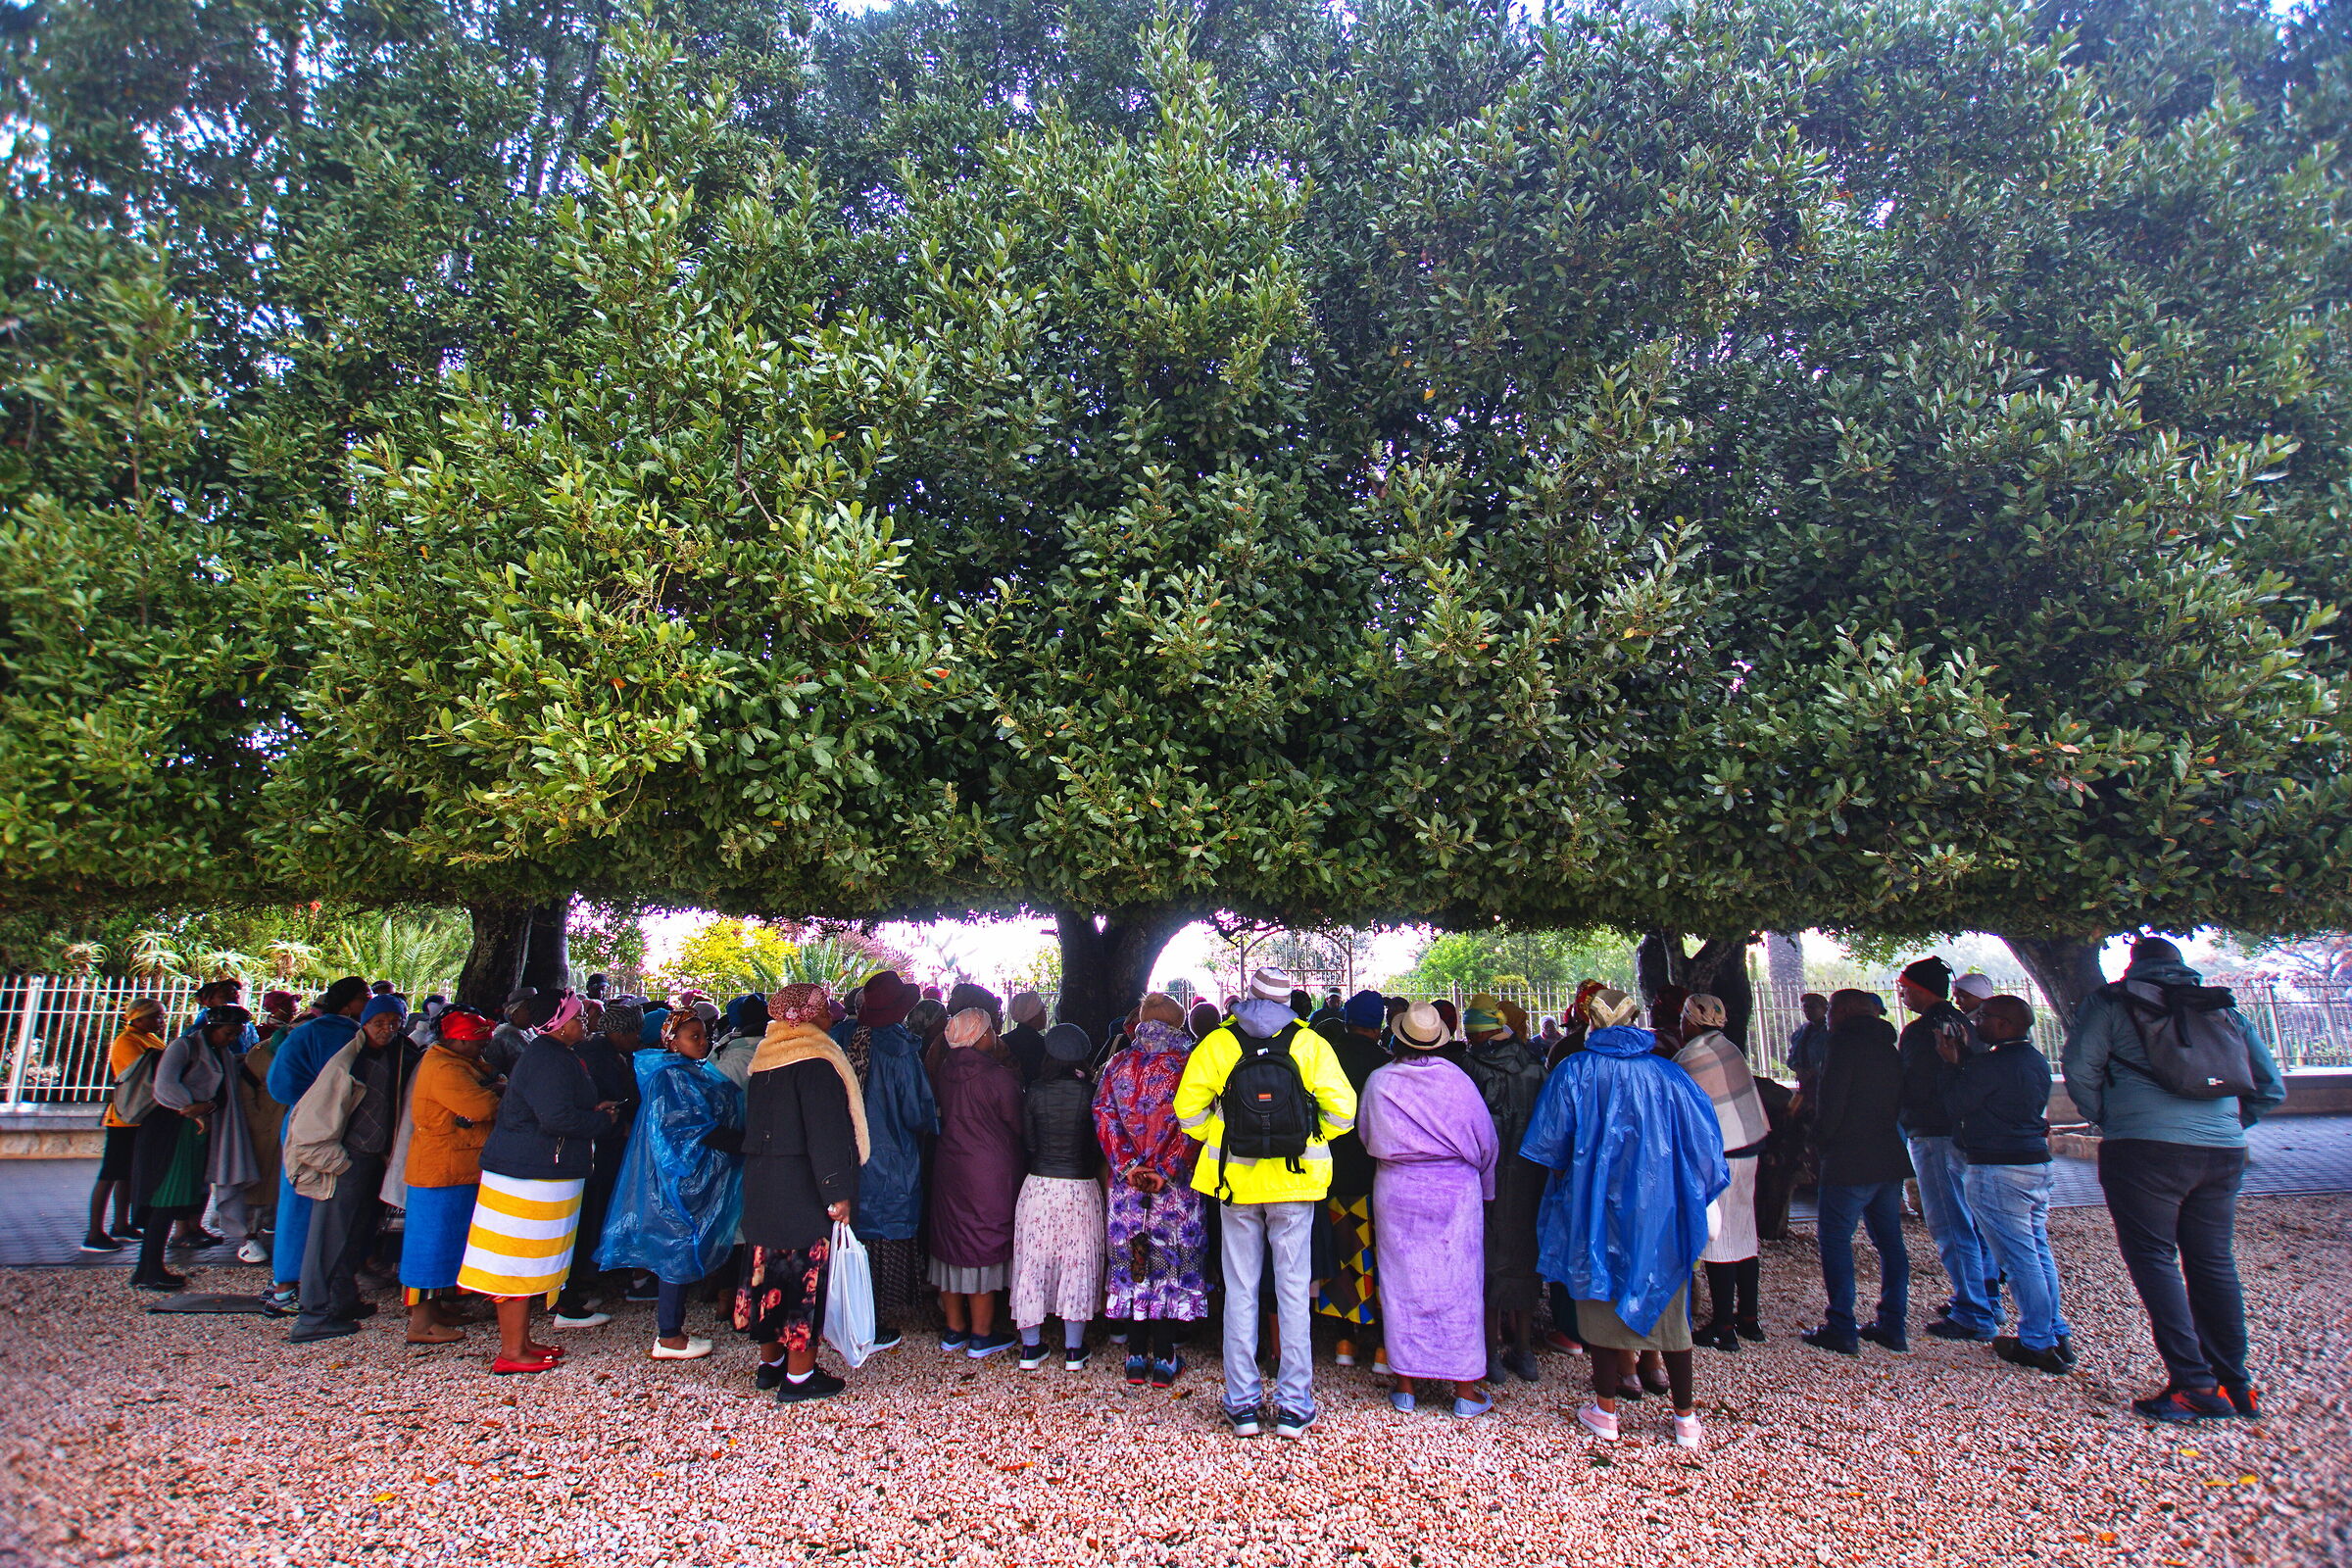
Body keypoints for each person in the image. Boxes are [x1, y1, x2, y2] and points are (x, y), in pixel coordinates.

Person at [2064, 937, 2285, 1422]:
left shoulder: (2113, 1001)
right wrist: (2228, 1125)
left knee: (2155, 1259)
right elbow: (2270, 1086)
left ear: (2133, 967)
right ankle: (2236, 1383)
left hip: (2143, 1149)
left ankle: (2194, 1383)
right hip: (2224, 1152)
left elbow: (2080, 1069)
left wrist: (2110, 1117)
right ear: (2182, 967)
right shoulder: (2221, 1007)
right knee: (2213, 1262)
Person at [1521, 988, 1725, 1450]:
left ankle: (1606, 1409)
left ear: (1589, 1021)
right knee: (1672, 1310)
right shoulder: (1669, 1075)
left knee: (1600, 1296)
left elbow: (1548, 1145)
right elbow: (1705, 1147)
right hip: (1662, 1210)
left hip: (1593, 1207)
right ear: (1635, 1021)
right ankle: (1686, 1418)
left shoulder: (1574, 1071)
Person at [1173, 965, 1359, 1441]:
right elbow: (1343, 1112)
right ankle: (1295, 1407)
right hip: (1296, 1185)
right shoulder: (1309, 1043)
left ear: (1249, 995)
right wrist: (1306, 1134)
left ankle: (1243, 1406)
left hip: (1235, 1183)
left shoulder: (1218, 1043)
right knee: (1293, 1291)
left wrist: (1224, 1131)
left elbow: (1188, 1112)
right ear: (1289, 1001)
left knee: (1241, 1290)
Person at [717, 983, 866, 1402]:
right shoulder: (815, 1062)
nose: (831, 1020)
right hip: (801, 1186)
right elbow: (827, 1135)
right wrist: (837, 1192)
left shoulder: (766, 1059)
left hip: (765, 1183)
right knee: (803, 1276)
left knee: (768, 1273)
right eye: (825, 1013)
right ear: (809, 1016)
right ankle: (800, 1377)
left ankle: (771, 1364)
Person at [455, 991, 613, 1372]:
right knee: (516, 1263)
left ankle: (521, 1340)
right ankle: (512, 1351)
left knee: (532, 1261)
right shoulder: (548, 1059)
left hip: (541, 1172)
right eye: (578, 1017)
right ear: (559, 1025)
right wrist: (600, 1122)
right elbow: (556, 1118)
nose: (585, 1022)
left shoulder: (555, 1055)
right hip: (527, 1176)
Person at [1360, 1002, 1498, 1418]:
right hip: (1454, 1191)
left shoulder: (1379, 1081)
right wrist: (1486, 1189)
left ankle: (1405, 1385)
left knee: (1401, 1285)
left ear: (1397, 1038)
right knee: (1459, 1285)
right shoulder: (1457, 1080)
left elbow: (1367, 1136)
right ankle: (1465, 1389)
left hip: (1397, 1189)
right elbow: (1486, 1141)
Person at [598, 1005, 745, 1360]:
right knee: (676, 1250)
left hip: (691, 1174)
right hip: (679, 1178)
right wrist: (744, 1143)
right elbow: (686, 1128)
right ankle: (669, 1335)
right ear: (672, 1041)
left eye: (703, 1035)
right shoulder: (671, 1077)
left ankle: (671, 1331)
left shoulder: (688, 1071)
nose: (702, 1042)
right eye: (693, 1037)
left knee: (679, 1249)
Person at [1940, 994, 2075, 1377]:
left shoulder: (1993, 1064)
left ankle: (2037, 1342)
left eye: (1982, 1016)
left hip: (1997, 1168)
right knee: (2037, 1250)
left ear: (2004, 1025)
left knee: (2019, 1260)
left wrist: (1952, 1066)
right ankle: (2054, 1330)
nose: (1974, 1021)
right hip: (2034, 1163)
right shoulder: (2033, 1060)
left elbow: (1954, 1104)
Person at [1094, 992, 1207, 1388]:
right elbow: (1195, 1123)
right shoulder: (1190, 1065)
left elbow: (1103, 1115)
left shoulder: (1117, 1063)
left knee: (1135, 1261)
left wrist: (1129, 1167)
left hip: (1129, 1187)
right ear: (1177, 1024)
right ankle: (1164, 1358)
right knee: (1168, 1263)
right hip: (1173, 1188)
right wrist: (1165, 1169)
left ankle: (1134, 1357)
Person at [281, 994, 410, 1343]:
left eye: (393, 1023)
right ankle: (313, 1315)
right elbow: (312, 1124)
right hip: (343, 1160)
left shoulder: (398, 1054)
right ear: (364, 1024)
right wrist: (339, 1162)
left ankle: (342, 1300)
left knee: (358, 1234)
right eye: (379, 1023)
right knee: (328, 1238)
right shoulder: (347, 1062)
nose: (387, 1029)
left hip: (373, 1159)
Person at [1894, 956, 2001, 1345]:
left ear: (1921, 989)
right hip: (1965, 1132)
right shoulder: (1968, 1025)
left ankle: (1973, 1311)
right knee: (1975, 1219)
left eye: (1904, 988)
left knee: (1950, 1222)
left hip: (1933, 1133)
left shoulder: (1922, 1031)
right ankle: (1985, 1297)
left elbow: (1917, 1084)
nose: (1902, 995)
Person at [1802, 989, 1913, 1356]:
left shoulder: (1844, 1045)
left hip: (1850, 1157)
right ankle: (1893, 1323)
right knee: (1889, 1242)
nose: (1827, 1015)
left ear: (1846, 1011)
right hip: (1887, 1155)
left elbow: (1832, 1101)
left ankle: (1841, 1325)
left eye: (1831, 1009)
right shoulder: (1888, 1046)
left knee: (1835, 1239)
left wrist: (1819, 1142)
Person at [124, 1005, 255, 1291]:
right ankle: (149, 1269)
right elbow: (164, 1084)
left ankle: (148, 1268)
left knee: (176, 1200)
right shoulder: (184, 1046)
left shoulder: (219, 1053)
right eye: (228, 1033)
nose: (231, 1039)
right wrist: (191, 1107)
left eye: (235, 1034)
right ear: (212, 1027)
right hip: (172, 1131)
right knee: (165, 1200)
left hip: (194, 1131)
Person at [837, 972, 936, 1348]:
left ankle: (847, 1315)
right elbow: (916, 1111)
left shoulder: (841, 1039)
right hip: (891, 1158)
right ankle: (872, 1320)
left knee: (851, 1236)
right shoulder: (901, 1049)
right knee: (884, 1239)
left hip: (845, 1157)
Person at [264, 976, 371, 1307]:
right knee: (326, 1205)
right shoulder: (348, 1036)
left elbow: (278, 1085)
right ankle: (317, 1288)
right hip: (335, 1126)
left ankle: (285, 1282)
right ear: (349, 1004)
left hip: (298, 1121)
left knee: (295, 1199)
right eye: (365, 998)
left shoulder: (303, 1031)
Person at [397, 1004, 502, 1346]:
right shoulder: (443, 1068)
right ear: (457, 1042)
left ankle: (437, 1309)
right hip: (438, 1173)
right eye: (476, 1042)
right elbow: (482, 1107)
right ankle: (420, 1323)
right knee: (428, 1248)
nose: (482, 1047)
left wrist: (495, 1086)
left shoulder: (458, 1062)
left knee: (448, 1244)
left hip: (456, 1168)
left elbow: (492, 1078)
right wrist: (498, 1092)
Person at [927, 1006, 1025, 1358]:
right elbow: (1016, 1122)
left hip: (949, 1167)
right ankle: (982, 1335)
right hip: (989, 1170)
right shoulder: (996, 1076)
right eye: (989, 1030)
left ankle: (954, 1329)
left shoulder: (943, 1069)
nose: (993, 1035)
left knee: (950, 1242)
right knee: (982, 1243)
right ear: (979, 1036)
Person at [1675, 994, 1771, 1351]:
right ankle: (1750, 1319)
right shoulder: (1728, 1047)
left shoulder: (1692, 1055)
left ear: (1691, 1020)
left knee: (1718, 1239)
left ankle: (1722, 1326)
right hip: (1750, 1146)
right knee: (1744, 1234)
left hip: (1723, 1153)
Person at [1459, 993, 1547, 1384]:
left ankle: (1490, 1353)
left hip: (1483, 1181)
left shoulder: (1469, 1068)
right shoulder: (1535, 1068)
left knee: (1485, 1260)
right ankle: (1525, 1352)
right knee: (1524, 1257)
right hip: (1528, 1178)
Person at [1010, 1023, 1106, 1371]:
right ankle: (1073, 1350)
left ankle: (1031, 1348)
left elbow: (1030, 1142)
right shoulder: (1091, 1092)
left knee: (1033, 1263)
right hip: (1080, 1188)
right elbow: (1097, 1144)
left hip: (1038, 1186)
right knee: (1077, 1264)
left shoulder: (1033, 1091)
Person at [550, 1000, 646, 1328]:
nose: (638, 1038)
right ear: (618, 1032)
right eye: (633, 1032)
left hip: (605, 1146)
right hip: (595, 1149)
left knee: (594, 1217)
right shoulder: (593, 1056)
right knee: (585, 1219)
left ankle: (582, 1285)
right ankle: (570, 1293)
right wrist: (615, 1121)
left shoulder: (613, 1054)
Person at [1313, 989, 1391, 1370]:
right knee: (1378, 1257)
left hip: (1331, 1172)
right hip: (1376, 1175)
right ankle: (1380, 1346)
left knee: (1342, 1252)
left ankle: (1344, 1340)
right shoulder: (1385, 1064)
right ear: (1378, 1027)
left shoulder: (1329, 1058)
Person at [87, 999, 168, 1252]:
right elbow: (145, 1073)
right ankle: (93, 1233)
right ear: (138, 1018)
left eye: (160, 1016)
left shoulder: (150, 1039)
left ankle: (121, 1224)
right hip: (125, 1118)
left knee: (126, 1173)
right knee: (110, 1173)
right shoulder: (127, 1041)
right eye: (155, 1017)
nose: (160, 1022)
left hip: (142, 1117)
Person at [1787, 993, 1832, 1098]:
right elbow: (1791, 1056)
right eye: (1805, 1006)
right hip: (1805, 1084)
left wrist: (1813, 1071)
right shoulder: (1801, 1032)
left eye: (1813, 1006)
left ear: (1824, 1009)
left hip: (1824, 1082)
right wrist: (1798, 1068)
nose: (1808, 1010)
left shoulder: (1831, 1031)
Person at [1003, 992, 1051, 1085]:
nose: (1045, 1014)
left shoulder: (1004, 1041)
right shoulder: (1043, 1045)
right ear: (1035, 1015)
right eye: (1043, 1010)